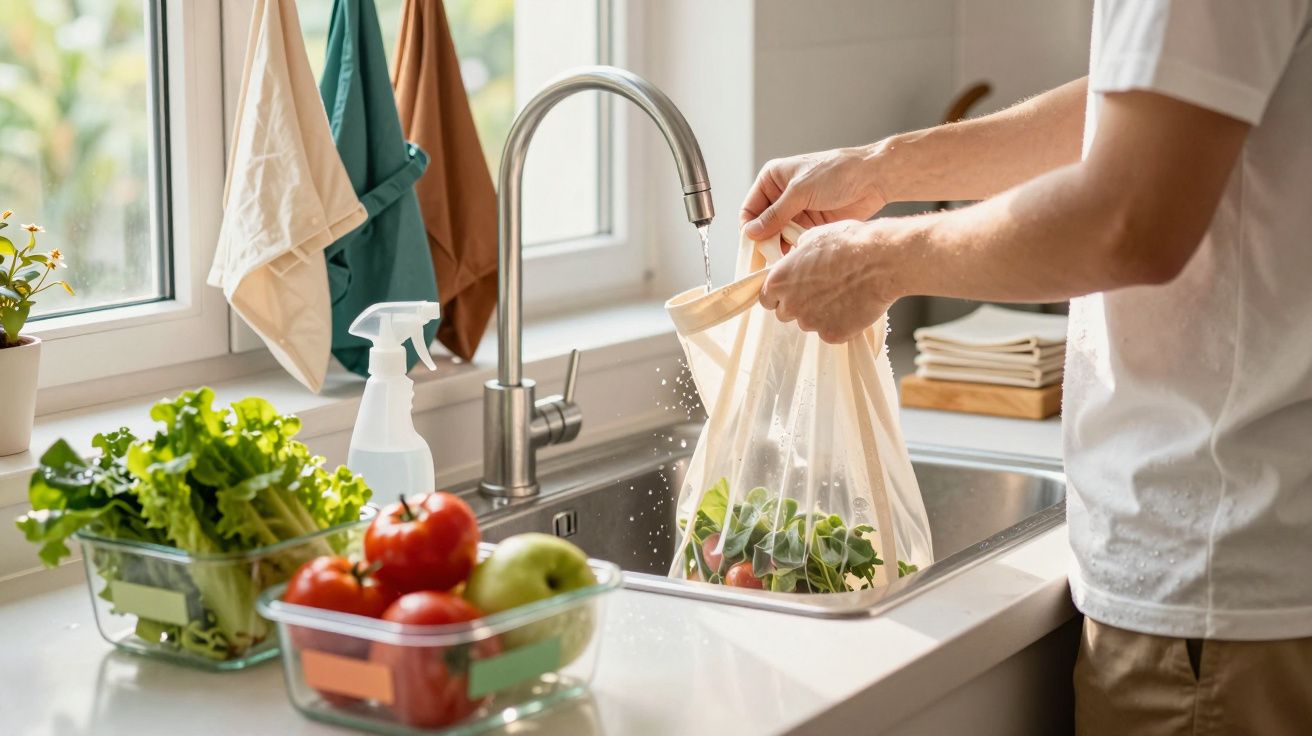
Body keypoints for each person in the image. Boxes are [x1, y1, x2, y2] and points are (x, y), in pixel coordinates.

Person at [740, 2, 1312, 734]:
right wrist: (884, 166)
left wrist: (878, 263)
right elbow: (1139, 109)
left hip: (1221, 585)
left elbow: (1128, 218)